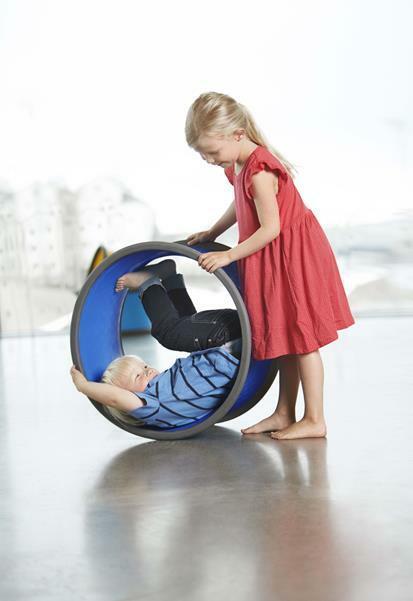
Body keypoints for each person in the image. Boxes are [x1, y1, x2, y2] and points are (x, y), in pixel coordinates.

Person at [185, 91, 355, 440]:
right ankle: (284, 412)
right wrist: (213, 231)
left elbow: (271, 227)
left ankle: (315, 419)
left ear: (236, 134)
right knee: (283, 334)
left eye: (212, 151)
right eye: (202, 154)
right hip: (271, 257)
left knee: (303, 339)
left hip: (291, 257)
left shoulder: (261, 169)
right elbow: (240, 203)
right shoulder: (238, 166)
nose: (208, 159)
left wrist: (229, 254)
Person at [70, 259, 242, 429]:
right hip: (230, 341)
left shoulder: (162, 391)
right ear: (130, 395)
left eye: (144, 367)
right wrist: (83, 387)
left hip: (225, 340)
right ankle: (149, 284)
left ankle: (167, 279)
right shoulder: (151, 406)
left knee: (183, 334)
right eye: (138, 376)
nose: (148, 371)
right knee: (168, 333)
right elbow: (115, 398)